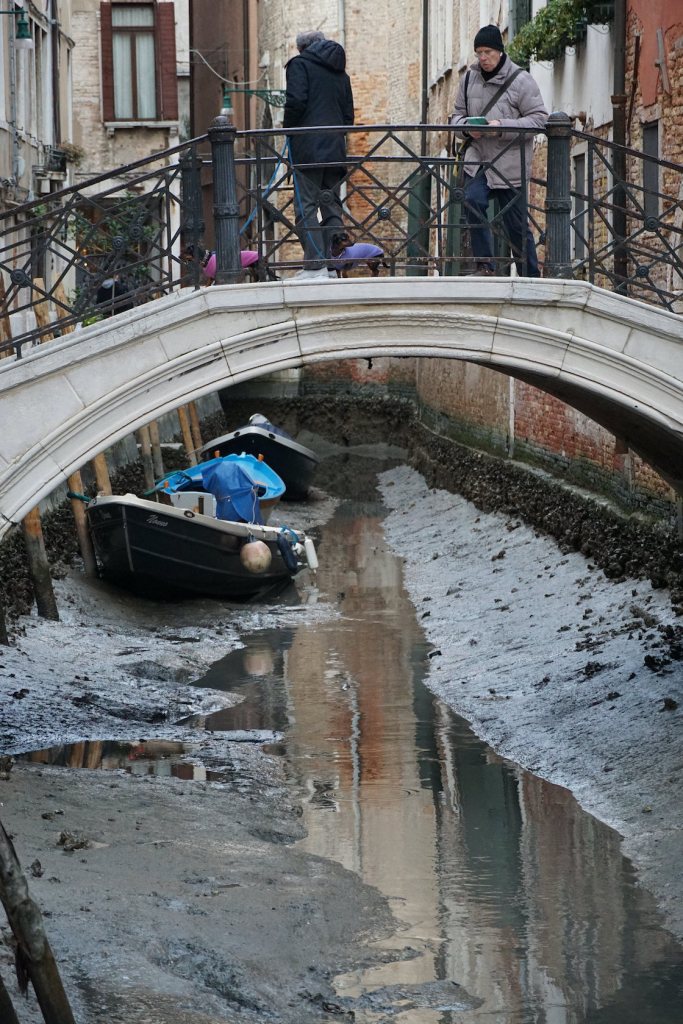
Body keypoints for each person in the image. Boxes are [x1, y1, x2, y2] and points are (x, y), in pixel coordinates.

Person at [450, 24, 547, 277]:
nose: (483, 58)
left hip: (510, 164)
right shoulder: (468, 79)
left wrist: (501, 126)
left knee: (516, 226)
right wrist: (467, 128)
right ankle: (485, 266)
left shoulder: (521, 80)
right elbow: (455, 118)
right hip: (478, 158)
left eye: (488, 52)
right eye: (479, 52)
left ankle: (531, 278)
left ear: (500, 52)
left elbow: (539, 120)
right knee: (472, 200)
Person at [283, 30, 354, 278]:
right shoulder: (340, 72)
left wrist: (288, 128)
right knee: (331, 202)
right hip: (335, 148)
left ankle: (315, 266)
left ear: (303, 49)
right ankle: (335, 261)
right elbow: (348, 117)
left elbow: (296, 101)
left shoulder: (299, 65)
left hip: (308, 148)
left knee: (307, 206)